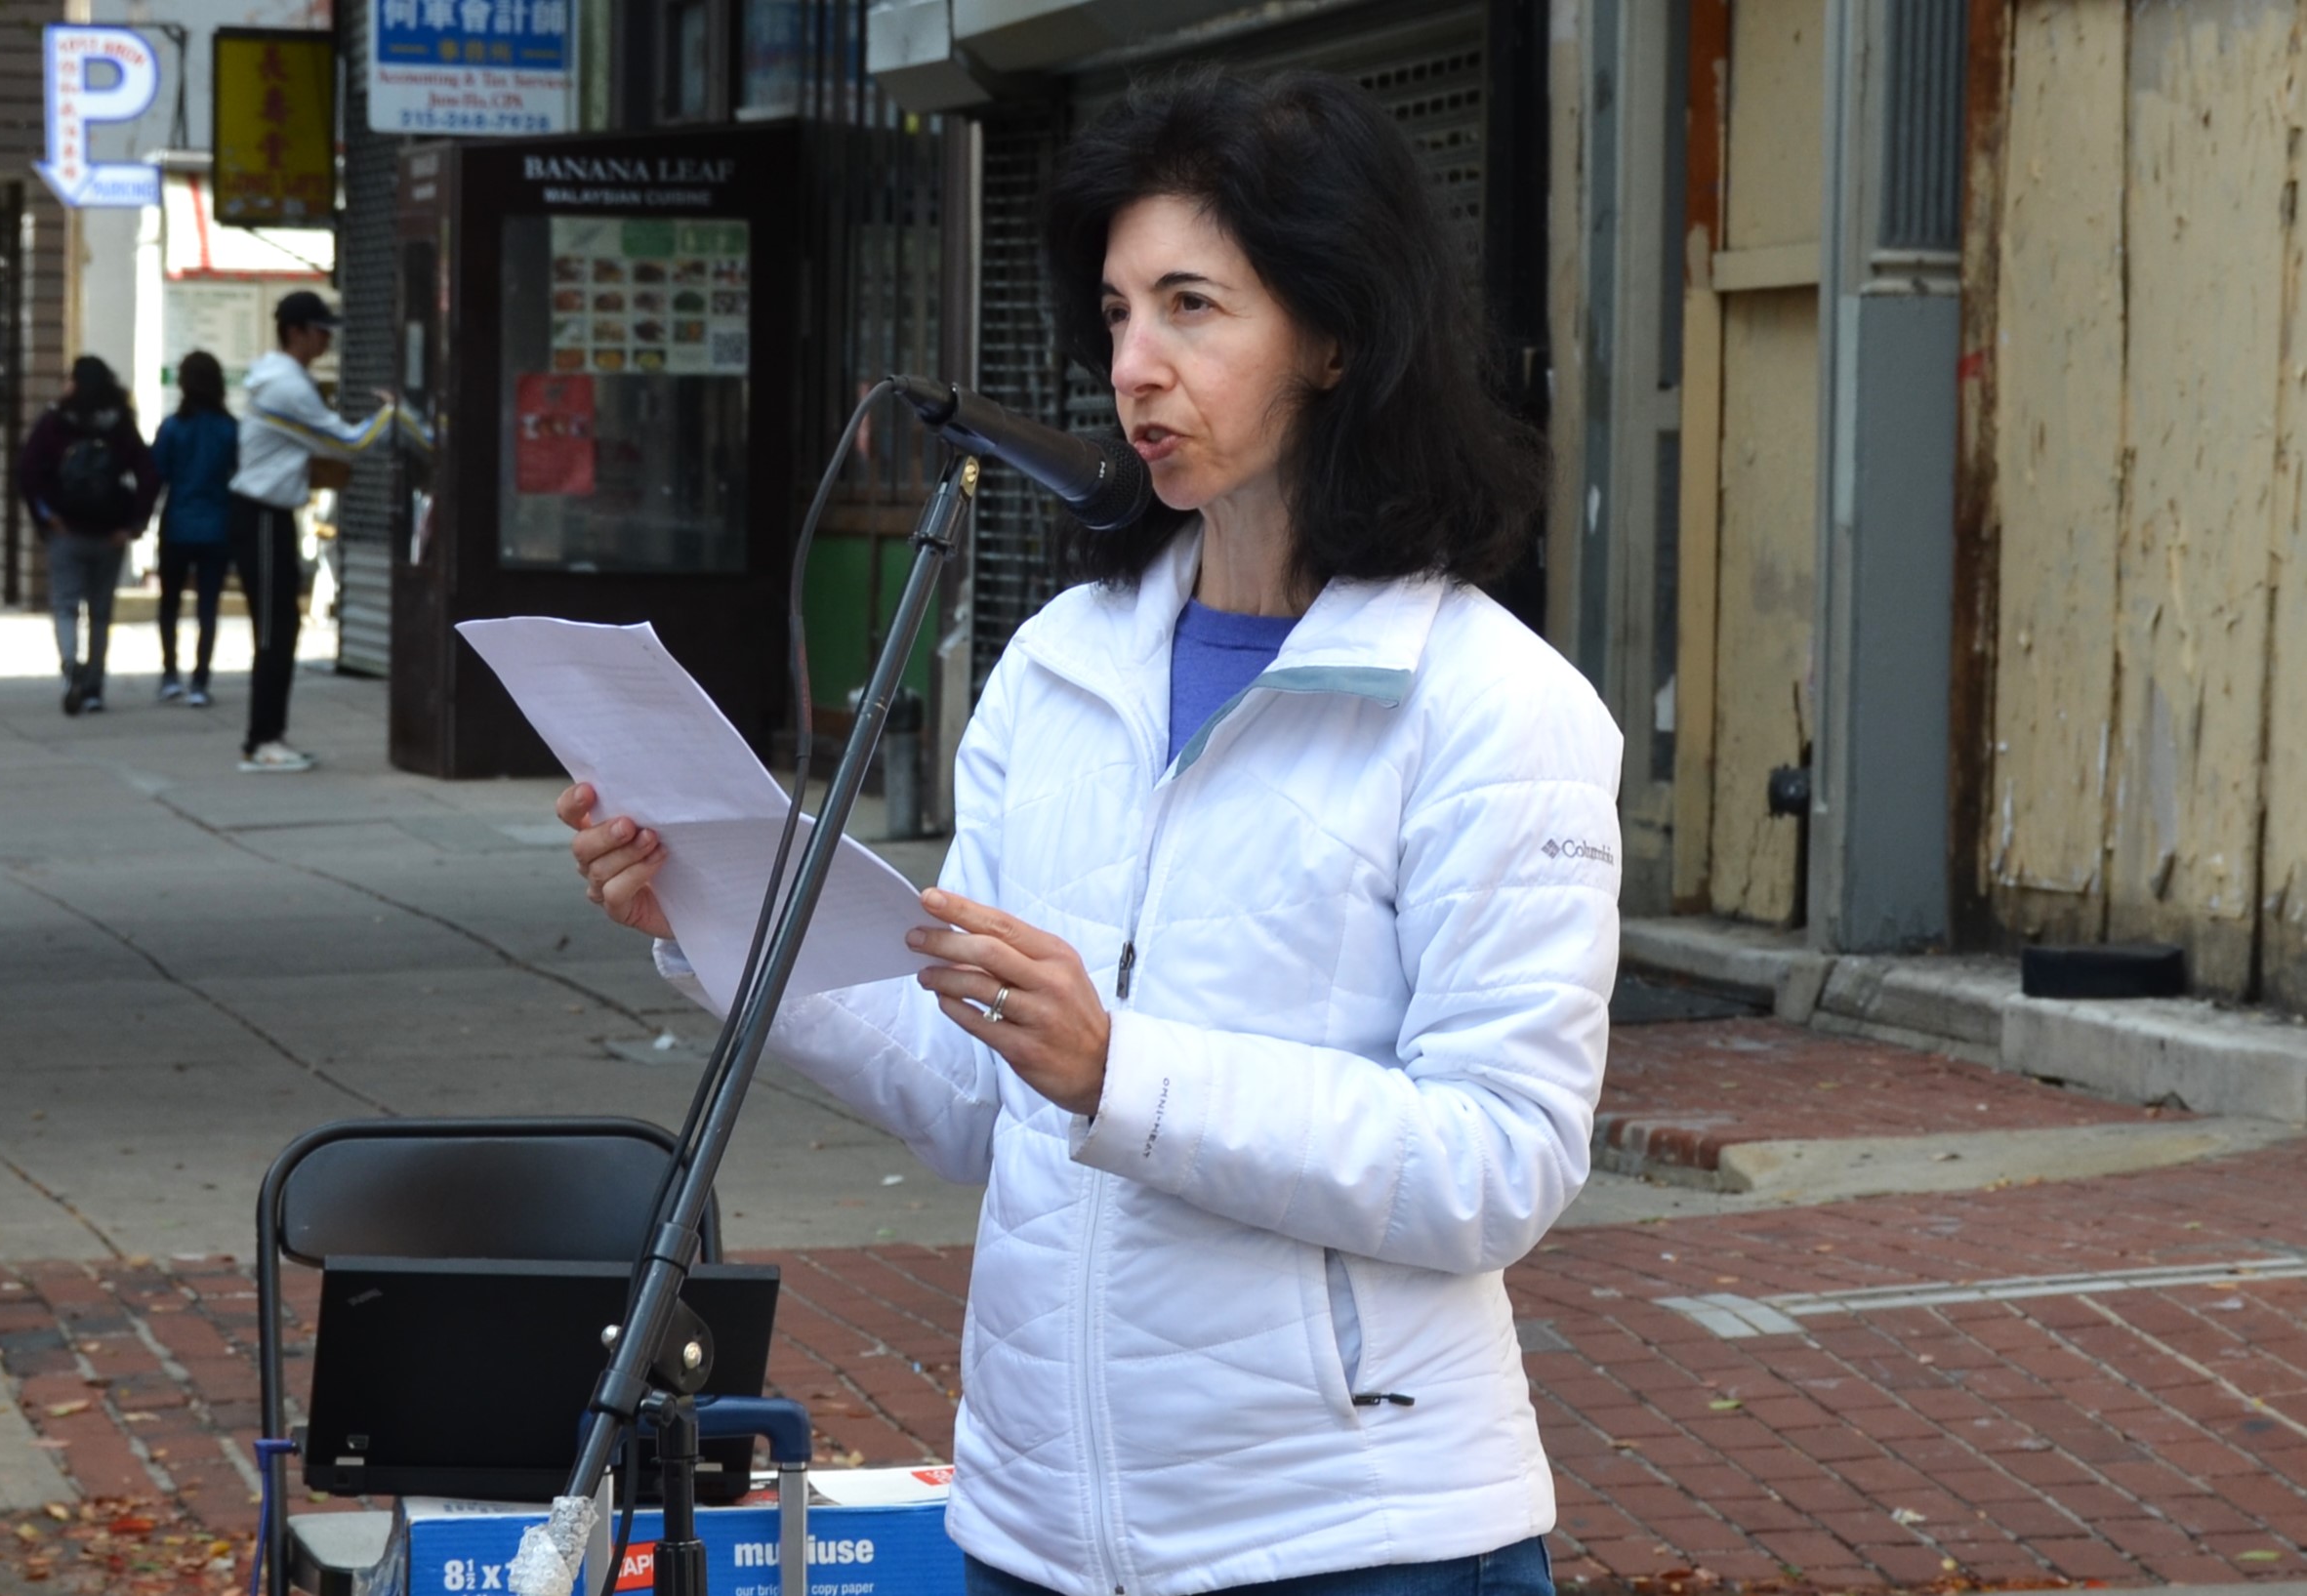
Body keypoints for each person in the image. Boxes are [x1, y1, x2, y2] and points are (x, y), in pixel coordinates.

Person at [561, 68, 1622, 1596]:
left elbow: (1498, 1159)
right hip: (1034, 1526)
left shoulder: (1488, 705)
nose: (1135, 365)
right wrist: (715, 912)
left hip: (1354, 1533)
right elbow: (971, 1094)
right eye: (1118, 313)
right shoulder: (1064, 663)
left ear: (1333, 333)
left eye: (1192, 307)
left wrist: (1123, 1068)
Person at [229, 290, 426, 772]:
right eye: (319, 332)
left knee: (281, 629)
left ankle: (268, 737)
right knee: (275, 632)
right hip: (261, 515)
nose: (326, 342)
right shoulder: (286, 387)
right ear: (295, 332)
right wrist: (394, 412)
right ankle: (262, 740)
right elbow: (349, 443)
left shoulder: (281, 377)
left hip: (266, 515)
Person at [18, 355, 159, 716]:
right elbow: (148, 473)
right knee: (100, 611)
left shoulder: (54, 422)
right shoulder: (120, 424)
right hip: (110, 532)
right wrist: (134, 523)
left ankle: (70, 667)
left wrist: (46, 517)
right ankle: (94, 687)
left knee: (66, 605)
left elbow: (28, 471)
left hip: (66, 529)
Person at [149, 351, 239, 707]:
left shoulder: (172, 427)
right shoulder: (230, 428)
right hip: (217, 525)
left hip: (177, 524)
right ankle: (200, 680)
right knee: (208, 605)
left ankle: (170, 674)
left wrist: (140, 518)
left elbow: (157, 475)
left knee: (169, 603)